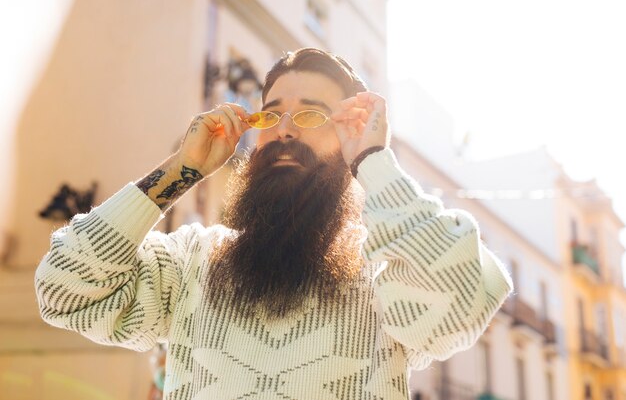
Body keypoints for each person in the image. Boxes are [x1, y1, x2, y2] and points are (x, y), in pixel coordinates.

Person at [35, 47, 513, 400]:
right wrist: (182, 169)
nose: (284, 129)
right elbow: (64, 290)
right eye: (271, 115)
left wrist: (373, 161)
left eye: (311, 114)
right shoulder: (189, 263)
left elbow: (460, 298)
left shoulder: (385, 276)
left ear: (350, 136)